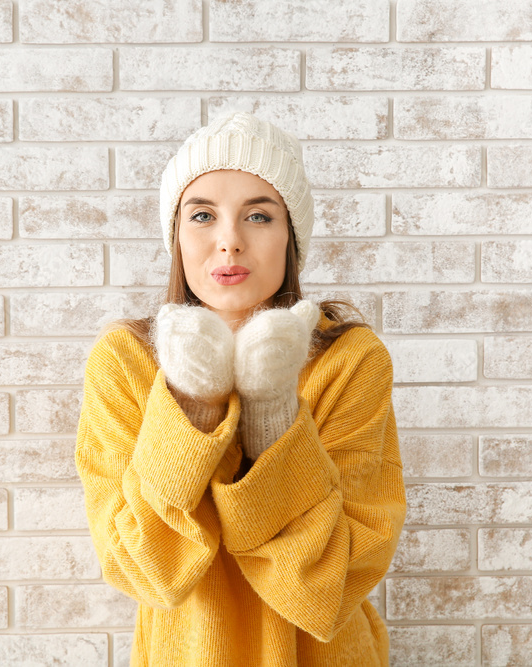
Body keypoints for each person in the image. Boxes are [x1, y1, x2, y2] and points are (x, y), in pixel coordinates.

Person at [75, 112, 406, 666]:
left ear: (290, 236)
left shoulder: (349, 359)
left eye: (258, 215)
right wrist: (193, 403)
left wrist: (272, 413)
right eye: (201, 215)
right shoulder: (128, 361)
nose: (228, 242)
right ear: (176, 235)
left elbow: (333, 584)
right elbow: (138, 567)